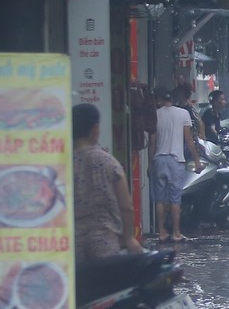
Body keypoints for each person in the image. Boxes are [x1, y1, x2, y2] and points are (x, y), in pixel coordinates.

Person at [72, 103, 143, 261]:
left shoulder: (62, 165)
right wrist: (129, 238)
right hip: (104, 243)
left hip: (72, 245)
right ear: (95, 129)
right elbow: (126, 206)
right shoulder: (108, 162)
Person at [152, 85, 198, 243]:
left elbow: (153, 141)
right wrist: (197, 160)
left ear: (159, 100)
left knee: (160, 199)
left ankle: (162, 232)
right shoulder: (183, 113)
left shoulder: (156, 114)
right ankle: (177, 233)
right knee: (175, 199)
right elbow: (189, 140)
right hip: (176, 160)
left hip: (159, 159)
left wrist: (151, 162)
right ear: (172, 99)